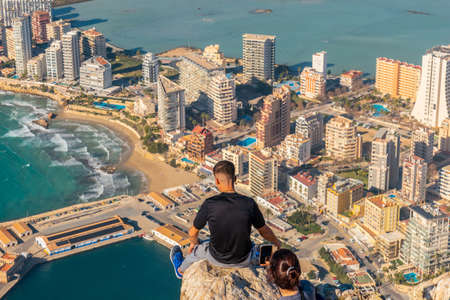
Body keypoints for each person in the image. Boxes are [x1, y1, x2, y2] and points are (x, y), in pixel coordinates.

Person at [170, 160, 281, 279]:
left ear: (216, 180)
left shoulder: (209, 204)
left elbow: (192, 232)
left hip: (216, 259)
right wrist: (277, 243)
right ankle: (263, 265)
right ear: (235, 178)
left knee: (200, 248)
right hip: (244, 260)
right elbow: (264, 231)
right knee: (259, 248)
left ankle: (180, 270)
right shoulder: (249, 203)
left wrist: (193, 244)